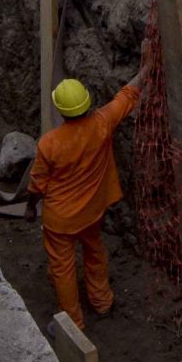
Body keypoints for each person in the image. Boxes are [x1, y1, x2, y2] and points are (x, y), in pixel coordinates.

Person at [29, 73, 140, 330]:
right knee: (95, 252)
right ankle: (102, 301)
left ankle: (73, 323)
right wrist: (145, 69)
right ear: (87, 103)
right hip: (91, 212)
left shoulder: (50, 143)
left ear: (60, 109)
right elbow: (128, 95)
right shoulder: (102, 123)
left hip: (59, 219)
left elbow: (37, 184)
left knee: (62, 268)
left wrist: (29, 207)